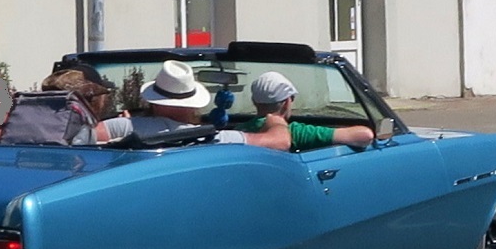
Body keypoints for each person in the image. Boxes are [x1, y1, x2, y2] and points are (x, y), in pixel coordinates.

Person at [100, 60, 290, 148]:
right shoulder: (213, 139)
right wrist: (276, 120)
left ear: (153, 101)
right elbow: (280, 142)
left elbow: (81, 135)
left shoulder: (126, 127)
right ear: (193, 105)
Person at [236, 71, 375, 150]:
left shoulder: (241, 131)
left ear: (254, 101)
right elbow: (365, 135)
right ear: (287, 102)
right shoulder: (297, 132)